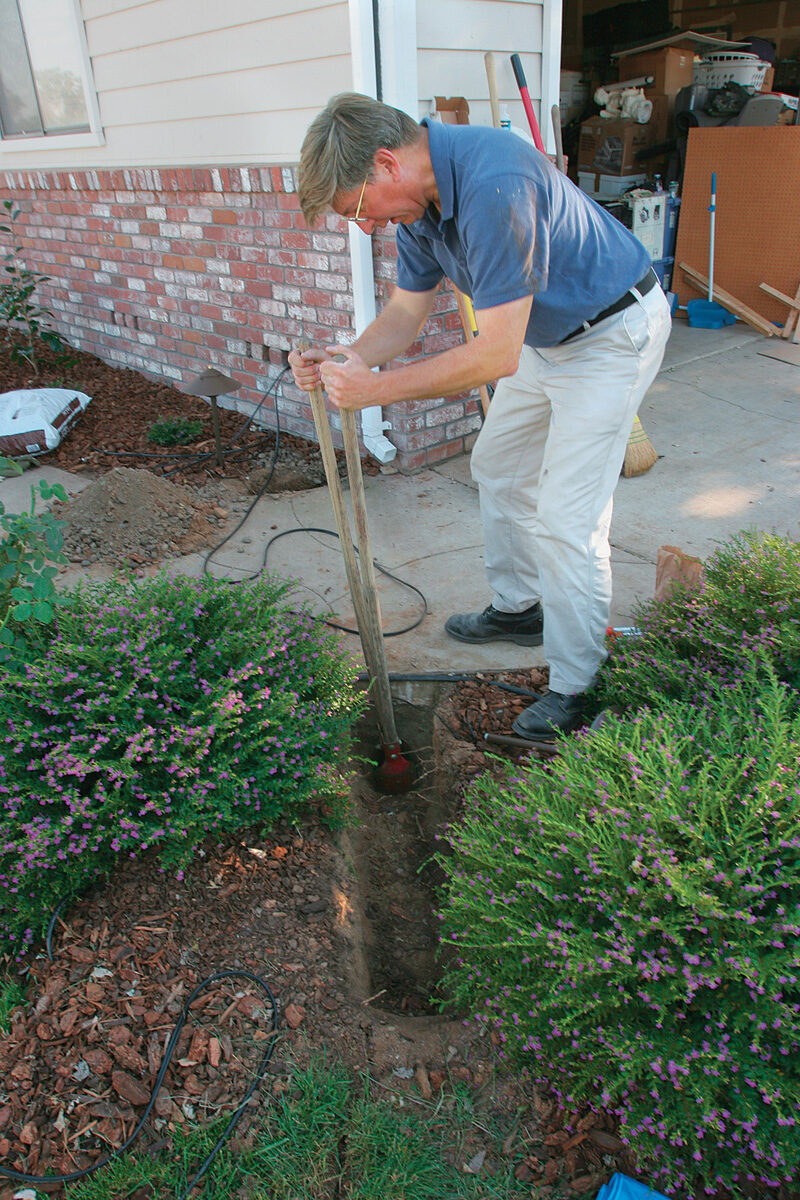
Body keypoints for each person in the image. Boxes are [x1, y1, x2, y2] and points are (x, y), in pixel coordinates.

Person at [288, 92, 671, 740]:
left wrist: (373, 392)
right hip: (546, 339)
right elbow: (406, 314)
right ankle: (520, 607)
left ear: (385, 164)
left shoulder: (495, 184)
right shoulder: (421, 207)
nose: (362, 226)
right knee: (496, 466)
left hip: (611, 335)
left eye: (355, 209)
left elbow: (492, 354)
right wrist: (346, 358)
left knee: (566, 519)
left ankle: (578, 684)